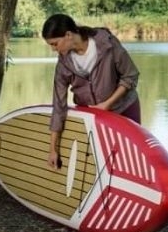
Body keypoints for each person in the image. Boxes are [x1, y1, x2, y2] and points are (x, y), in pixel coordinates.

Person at [40, 14, 140, 169]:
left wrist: (107, 104)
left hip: (124, 108)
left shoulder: (107, 44)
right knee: (100, 164)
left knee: (131, 158)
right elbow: (59, 106)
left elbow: (130, 75)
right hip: (94, 117)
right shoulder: (63, 64)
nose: (53, 49)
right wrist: (53, 149)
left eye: (55, 43)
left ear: (68, 35)